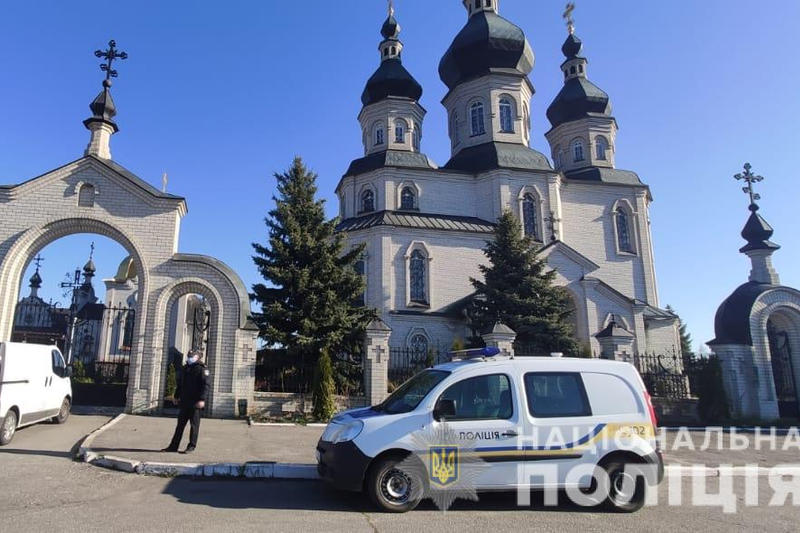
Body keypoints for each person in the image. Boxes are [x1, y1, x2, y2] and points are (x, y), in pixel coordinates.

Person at [162, 350, 210, 453]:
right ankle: (173, 446)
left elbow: (205, 385)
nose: (189, 357)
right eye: (189, 355)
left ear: (198, 357)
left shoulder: (202, 369)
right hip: (184, 401)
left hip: (195, 402)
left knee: (194, 426)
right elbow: (180, 384)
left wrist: (202, 399)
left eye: (192, 356)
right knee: (180, 425)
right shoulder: (186, 368)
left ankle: (191, 446)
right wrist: (176, 396)